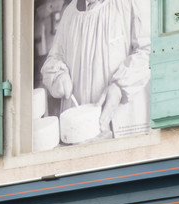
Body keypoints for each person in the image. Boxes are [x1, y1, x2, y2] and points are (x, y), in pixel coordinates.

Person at [39, 0, 150, 140]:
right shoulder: (70, 13)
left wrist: (119, 87)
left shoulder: (131, 3)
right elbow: (53, 59)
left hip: (122, 124)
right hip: (80, 131)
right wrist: (58, 74)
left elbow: (148, 51)